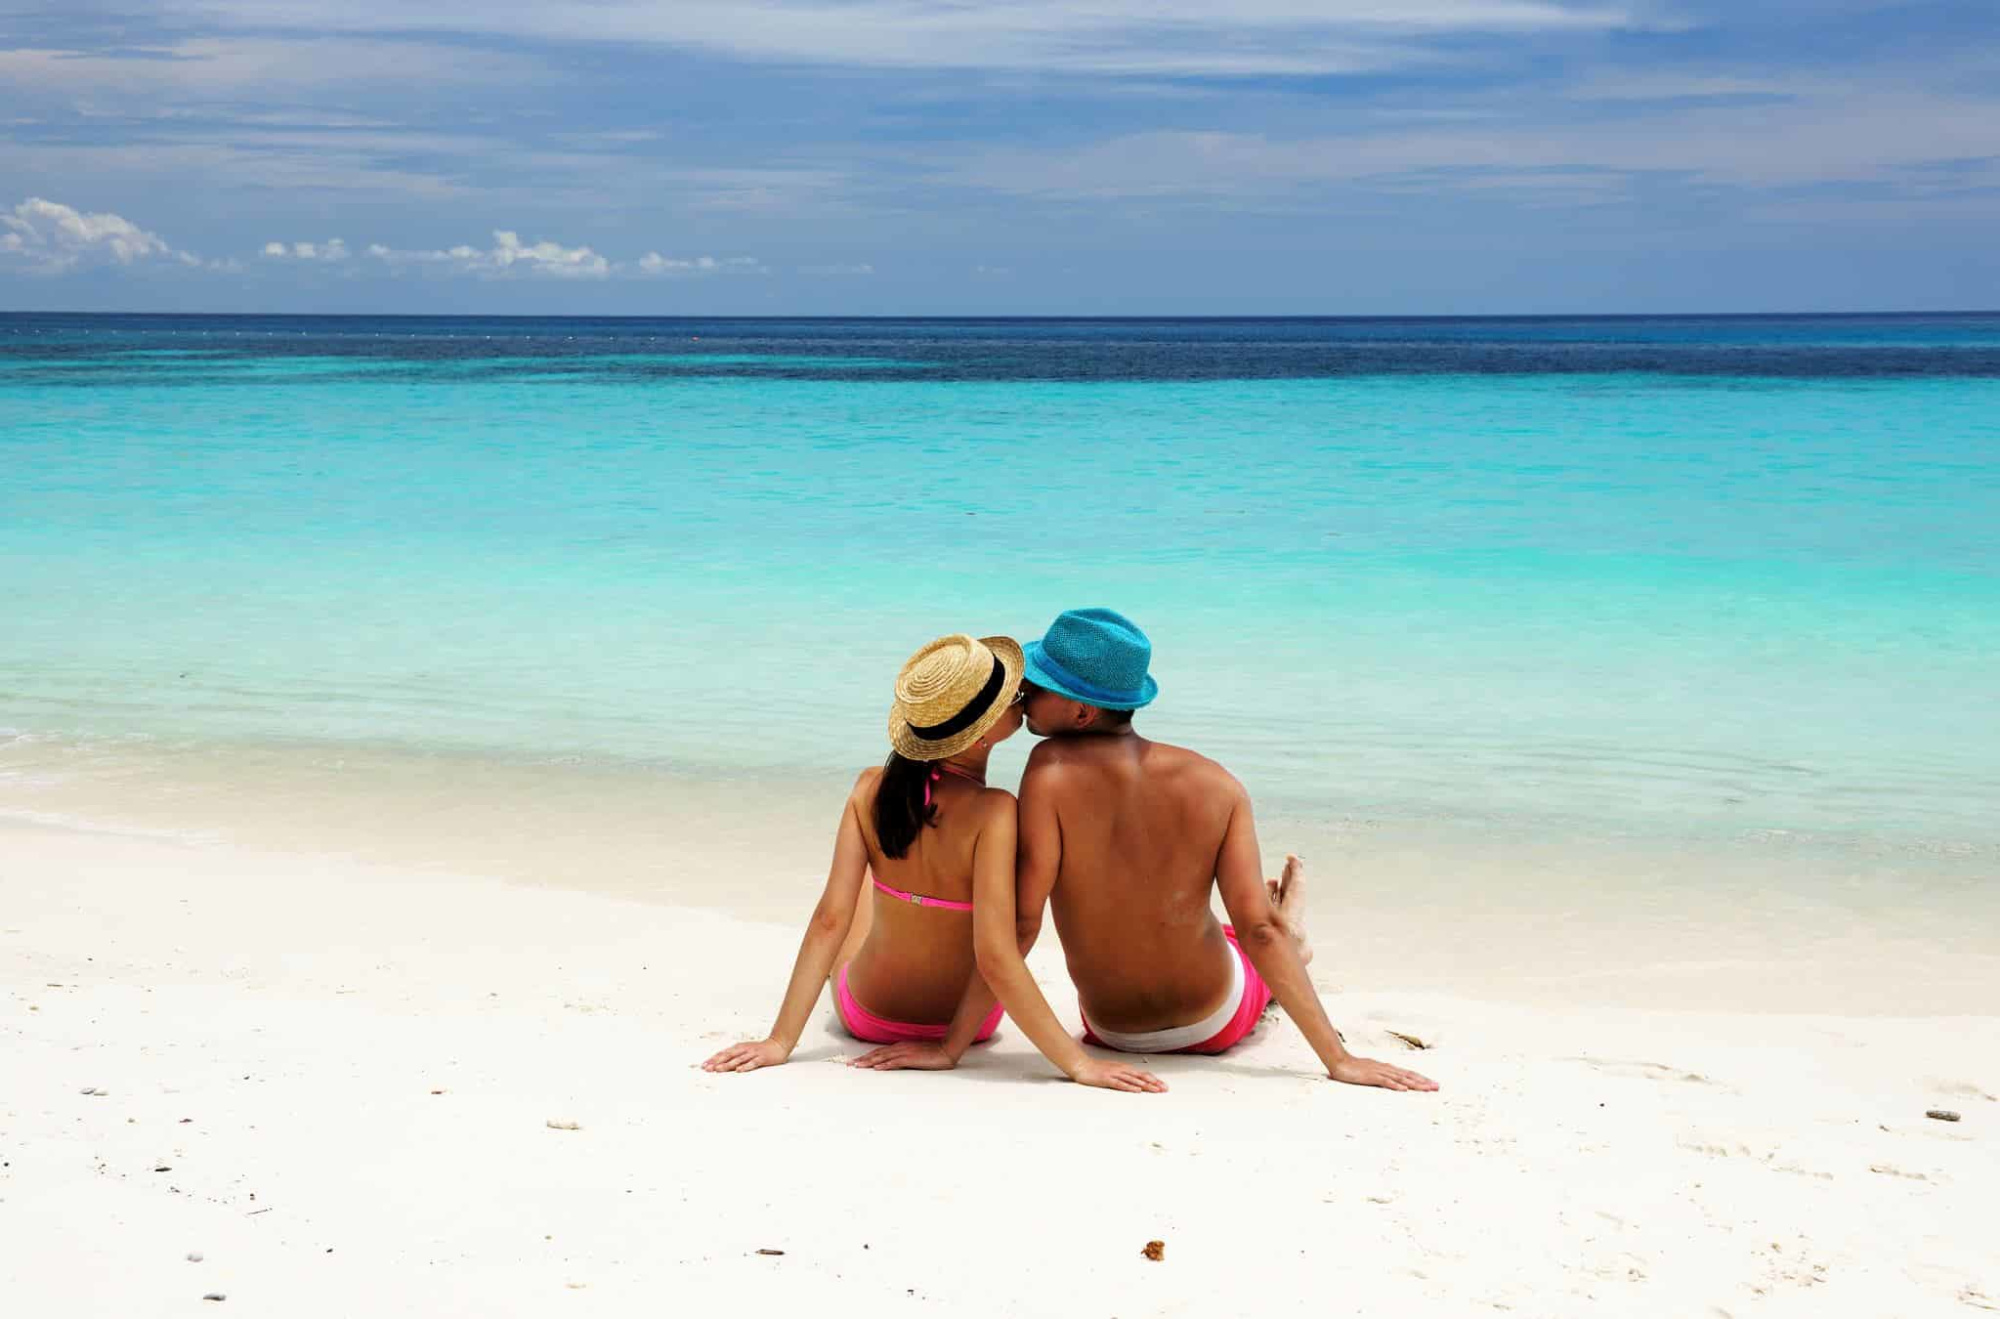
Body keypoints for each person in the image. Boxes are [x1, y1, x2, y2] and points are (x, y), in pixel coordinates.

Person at [855, 608, 1436, 1094]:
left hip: (1114, 1031)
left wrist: (952, 1048)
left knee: (1253, 937)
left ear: (1081, 712)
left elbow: (1024, 923)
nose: (1023, 692)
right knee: (1252, 935)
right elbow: (1257, 931)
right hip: (1216, 1022)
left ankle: (1297, 941)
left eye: (1037, 684)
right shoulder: (1218, 783)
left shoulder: (1048, 772)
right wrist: (1339, 1061)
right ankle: (1293, 939)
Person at [700, 631, 1157, 1092]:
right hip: (966, 1026)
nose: (1020, 692)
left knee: (862, 889)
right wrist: (1076, 1065)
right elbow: (997, 956)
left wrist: (779, 1041)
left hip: (867, 1015)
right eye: (1005, 693)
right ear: (979, 735)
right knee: (944, 900)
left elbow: (828, 922)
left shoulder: (868, 789)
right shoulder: (996, 812)